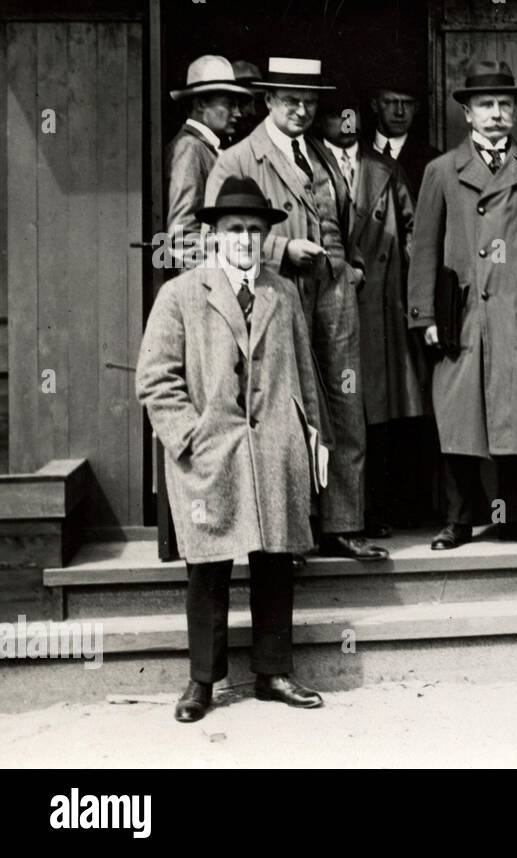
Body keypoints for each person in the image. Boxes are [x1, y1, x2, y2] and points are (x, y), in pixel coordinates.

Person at [137, 176, 327, 723]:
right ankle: (203, 681)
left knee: (274, 562)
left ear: (265, 236)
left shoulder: (282, 292)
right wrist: (188, 437)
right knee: (208, 566)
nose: (244, 239)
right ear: (215, 235)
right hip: (209, 452)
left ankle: (272, 672)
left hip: (273, 447)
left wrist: (310, 436)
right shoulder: (180, 294)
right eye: (233, 229)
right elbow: (156, 378)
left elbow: (305, 373)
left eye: (253, 229)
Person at [206, 57, 388, 561]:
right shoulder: (238, 160)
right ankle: (293, 530)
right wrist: (280, 251)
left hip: (334, 293)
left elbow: (342, 218)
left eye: (310, 102)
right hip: (275, 294)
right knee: (289, 409)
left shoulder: (321, 156)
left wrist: (349, 266)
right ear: (267, 101)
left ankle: (344, 523)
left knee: (347, 406)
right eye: (291, 101)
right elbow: (207, 238)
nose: (303, 111)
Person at [408, 61, 517, 550]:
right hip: (463, 314)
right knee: (460, 423)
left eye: (505, 105)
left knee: (516, 420)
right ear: (467, 113)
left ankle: (513, 519)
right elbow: (422, 249)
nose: (497, 114)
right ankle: (458, 522)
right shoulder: (441, 170)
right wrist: (425, 316)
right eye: (486, 106)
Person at [316, 81, 428, 538]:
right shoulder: (309, 165)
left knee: (380, 415)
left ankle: (377, 512)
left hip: (382, 306)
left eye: (351, 114)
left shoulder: (384, 169)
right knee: (340, 412)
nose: (346, 123)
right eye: (335, 115)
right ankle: (340, 518)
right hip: (332, 305)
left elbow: (415, 233)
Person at [164, 56, 250, 269]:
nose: (238, 113)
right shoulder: (190, 148)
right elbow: (182, 236)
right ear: (201, 104)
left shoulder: (206, 148)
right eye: (230, 104)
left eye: (238, 105)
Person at [371, 79, 441, 198]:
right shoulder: (354, 152)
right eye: (390, 102)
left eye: (407, 103)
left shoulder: (434, 161)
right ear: (375, 105)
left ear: (416, 108)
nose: (400, 112)